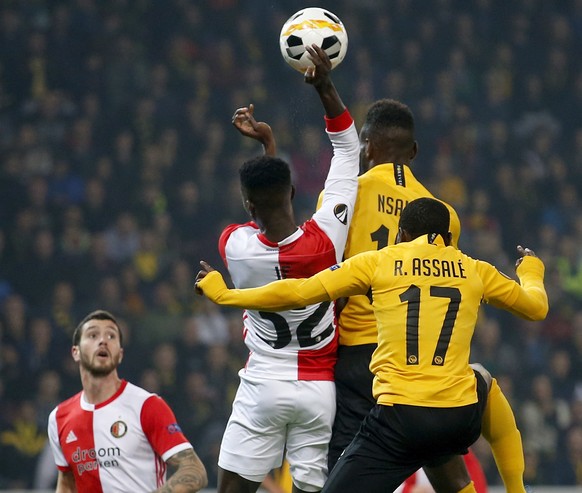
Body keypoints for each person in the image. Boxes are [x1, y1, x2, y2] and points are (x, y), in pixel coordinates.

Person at [195, 197, 548, 493]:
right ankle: (517, 489)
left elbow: (299, 291)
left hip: (401, 418)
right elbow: (536, 307)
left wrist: (226, 294)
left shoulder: (380, 261)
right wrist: (531, 269)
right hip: (458, 419)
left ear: (403, 233)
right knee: (482, 379)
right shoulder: (475, 269)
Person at [317, 97, 529, 492]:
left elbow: (325, 266)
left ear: (366, 147)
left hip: (360, 352)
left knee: (348, 468)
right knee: (443, 462)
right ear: (413, 152)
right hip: (424, 363)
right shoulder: (443, 213)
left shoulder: (347, 194)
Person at [213, 44, 359, 493]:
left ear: (247, 203)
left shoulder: (235, 248)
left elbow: (262, 221)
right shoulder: (327, 239)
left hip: (263, 384)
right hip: (318, 391)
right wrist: (324, 85)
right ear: (294, 191)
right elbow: (348, 146)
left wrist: (266, 148)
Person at [47, 309, 208, 492]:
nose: (103, 341)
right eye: (93, 335)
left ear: (120, 354)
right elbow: (67, 483)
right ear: (75, 352)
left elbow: (195, 471)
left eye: (111, 336)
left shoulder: (147, 405)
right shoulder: (59, 417)